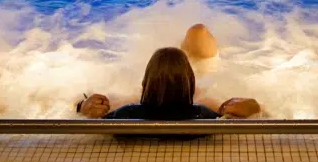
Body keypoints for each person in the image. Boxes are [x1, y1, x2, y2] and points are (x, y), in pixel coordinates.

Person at [77, 47, 259, 121]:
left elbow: (76, 105)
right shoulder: (206, 109)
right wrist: (252, 106)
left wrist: (81, 107)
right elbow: (260, 111)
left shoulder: (124, 108)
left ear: (144, 83)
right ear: (192, 83)